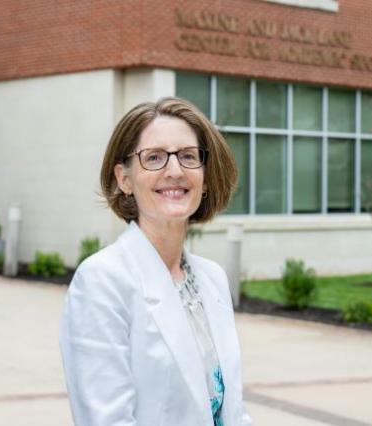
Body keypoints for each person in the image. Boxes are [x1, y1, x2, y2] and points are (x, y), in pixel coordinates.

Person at [59, 97, 253, 426]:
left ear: (205, 177)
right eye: (154, 158)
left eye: (188, 156)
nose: (175, 171)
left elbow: (230, 411)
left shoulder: (212, 278)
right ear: (124, 179)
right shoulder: (102, 281)